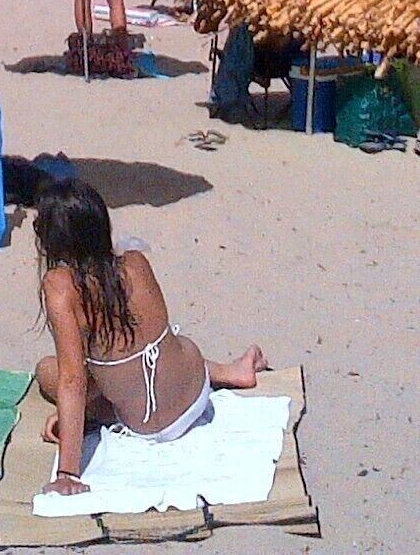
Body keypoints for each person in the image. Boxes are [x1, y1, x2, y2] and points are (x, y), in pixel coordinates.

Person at [31, 177, 265, 493]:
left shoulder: (60, 287)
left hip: (146, 423)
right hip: (193, 393)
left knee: (49, 372)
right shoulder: (136, 263)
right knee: (163, 347)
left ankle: (83, 420)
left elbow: (73, 380)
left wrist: (68, 473)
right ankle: (231, 372)